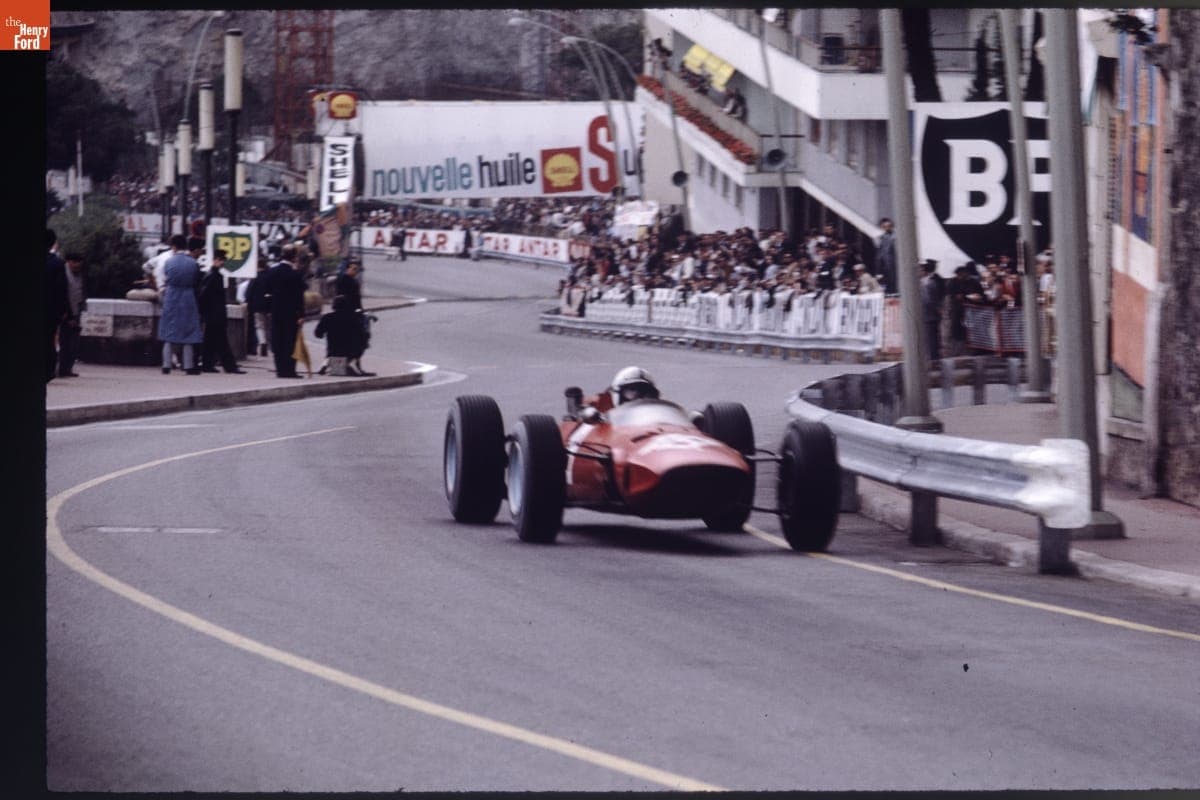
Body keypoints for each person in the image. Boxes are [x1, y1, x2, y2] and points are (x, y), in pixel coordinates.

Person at [158, 234, 205, 375]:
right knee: (189, 332)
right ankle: (188, 365)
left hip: (172, 296)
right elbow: (197, 280)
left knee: (168, 331)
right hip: (188, 296)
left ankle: (166, 365)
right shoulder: (193, 263)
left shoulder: (169, 262)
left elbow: (165, 277)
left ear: (174, 246)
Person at [198, 249, 245, 374]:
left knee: (210, 341)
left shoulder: (212, 275)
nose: (223, 263)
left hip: (212, 314)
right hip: (216, 314)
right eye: (221, 260)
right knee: (221, 342)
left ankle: (208, 365)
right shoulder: (214, 276)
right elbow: (205, 295)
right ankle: (230, 366)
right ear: (216, 260)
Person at [265, 243, 307, 378]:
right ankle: (289, 370)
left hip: (276, 311)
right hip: (291, 313)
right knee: (290, 341)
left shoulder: (272, 271)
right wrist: (301, 314)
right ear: (294, 257)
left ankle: (280, 369)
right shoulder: (295, 274)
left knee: (278, 340)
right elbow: (300, 295)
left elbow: (267, 290)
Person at [314, 294, 367, 375]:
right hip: (350, 352)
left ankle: (326, 364)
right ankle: (352, 362)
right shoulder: (354, 317)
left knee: (331, 352)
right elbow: (362, 334)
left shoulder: (327, 317)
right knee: (364, 339)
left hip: (333, 351)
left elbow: (318, 334)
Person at [57, 252, 88, 378]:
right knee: (64, 342)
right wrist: (67, 314)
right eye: (74, 262)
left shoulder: (81, 274)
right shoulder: (62, 273)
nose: (77, 264)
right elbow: (61, 294)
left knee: (73, 342)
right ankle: (61, 369)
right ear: (68, 261)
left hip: (76, 311)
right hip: (64, 312)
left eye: (79, 262)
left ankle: (67, 368)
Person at [581, 366, 661, 414]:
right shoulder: (600, 404)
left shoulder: (657, 413)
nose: (638, 397)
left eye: (644, 392)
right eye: (632, 390)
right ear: (618, 392)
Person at [45, 229, 69, 383]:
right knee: (48, 340)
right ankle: (47, 371)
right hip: (49, 312)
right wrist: (63, 311)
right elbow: (61, 290)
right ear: (53, 243)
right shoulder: (57, 264)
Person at [245, 260, 272, 357]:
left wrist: (248, 302)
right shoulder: (270, 277)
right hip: (269, 305)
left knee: (259, 326)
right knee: (268, 326)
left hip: (257, 305)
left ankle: (262, 342)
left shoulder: (255, 277)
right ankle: (269, 345)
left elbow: (249, 291)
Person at [920, 259, 944, 362]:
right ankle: (933, 357)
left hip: (929, 315)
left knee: (931, 339)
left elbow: (928, 300)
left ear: (924, 271)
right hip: (930, 314)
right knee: (931, 338)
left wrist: (936, 310)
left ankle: (933, 359)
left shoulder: (928, 283)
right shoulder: (928, 282)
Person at [874, 217, 896, 294]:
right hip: (884, 267)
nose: (887, 228)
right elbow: (879, 255)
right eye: (884, 226)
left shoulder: (895, 237)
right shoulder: (882, 238)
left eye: (888, 226)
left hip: (893, 265)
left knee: (894, 282)